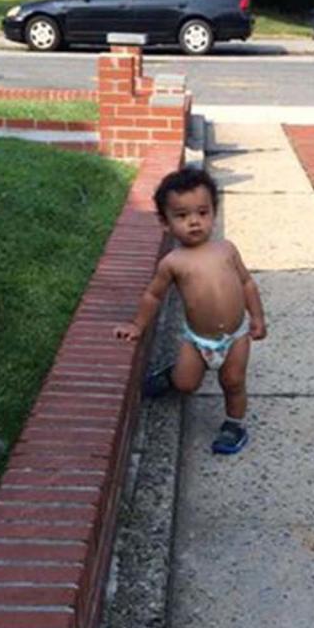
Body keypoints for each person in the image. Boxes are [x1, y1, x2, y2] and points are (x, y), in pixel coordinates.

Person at [113, 167, 266, 455]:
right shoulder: (173, 262)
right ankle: (171, 376)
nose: (194, 222)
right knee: (186, 384)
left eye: (202, 212)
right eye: (182, 216)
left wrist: (257, 316)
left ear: (213, 212)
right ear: (165, 222)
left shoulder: (227, 250)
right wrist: (137, 325)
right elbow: (153, 295)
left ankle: (234, 425)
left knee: (233, 381)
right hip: (197, 339)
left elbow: (246, 283)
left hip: (236, 335)